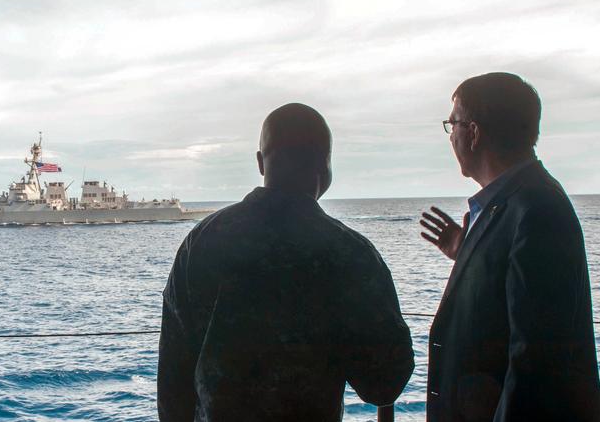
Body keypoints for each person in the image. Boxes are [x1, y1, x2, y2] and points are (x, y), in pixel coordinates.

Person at [158, 103, 414, 421]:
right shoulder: (352, 253)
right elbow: (384, 383)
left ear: (260, 163)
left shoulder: (200, 243)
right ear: (325, 164)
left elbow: (172, 386)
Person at [420, 72, 600, 421]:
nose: (451, 135)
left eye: (453, 123)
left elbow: (535, 362)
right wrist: (468, 253)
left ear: (473, 133)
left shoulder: (537, 211)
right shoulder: (516, 203)